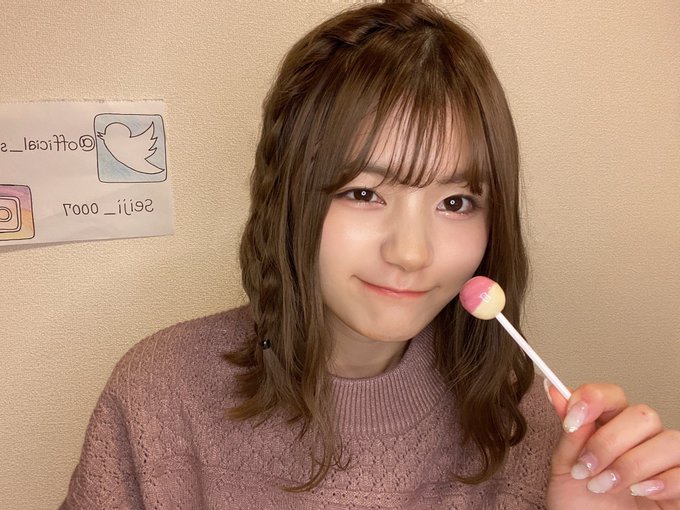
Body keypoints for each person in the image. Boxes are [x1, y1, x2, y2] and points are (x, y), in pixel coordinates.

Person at [61, 1, 679, 508]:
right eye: (363, 193)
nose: (411, 253)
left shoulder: (527, 426)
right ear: (290, 197)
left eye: (457, 202)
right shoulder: (159, 396)